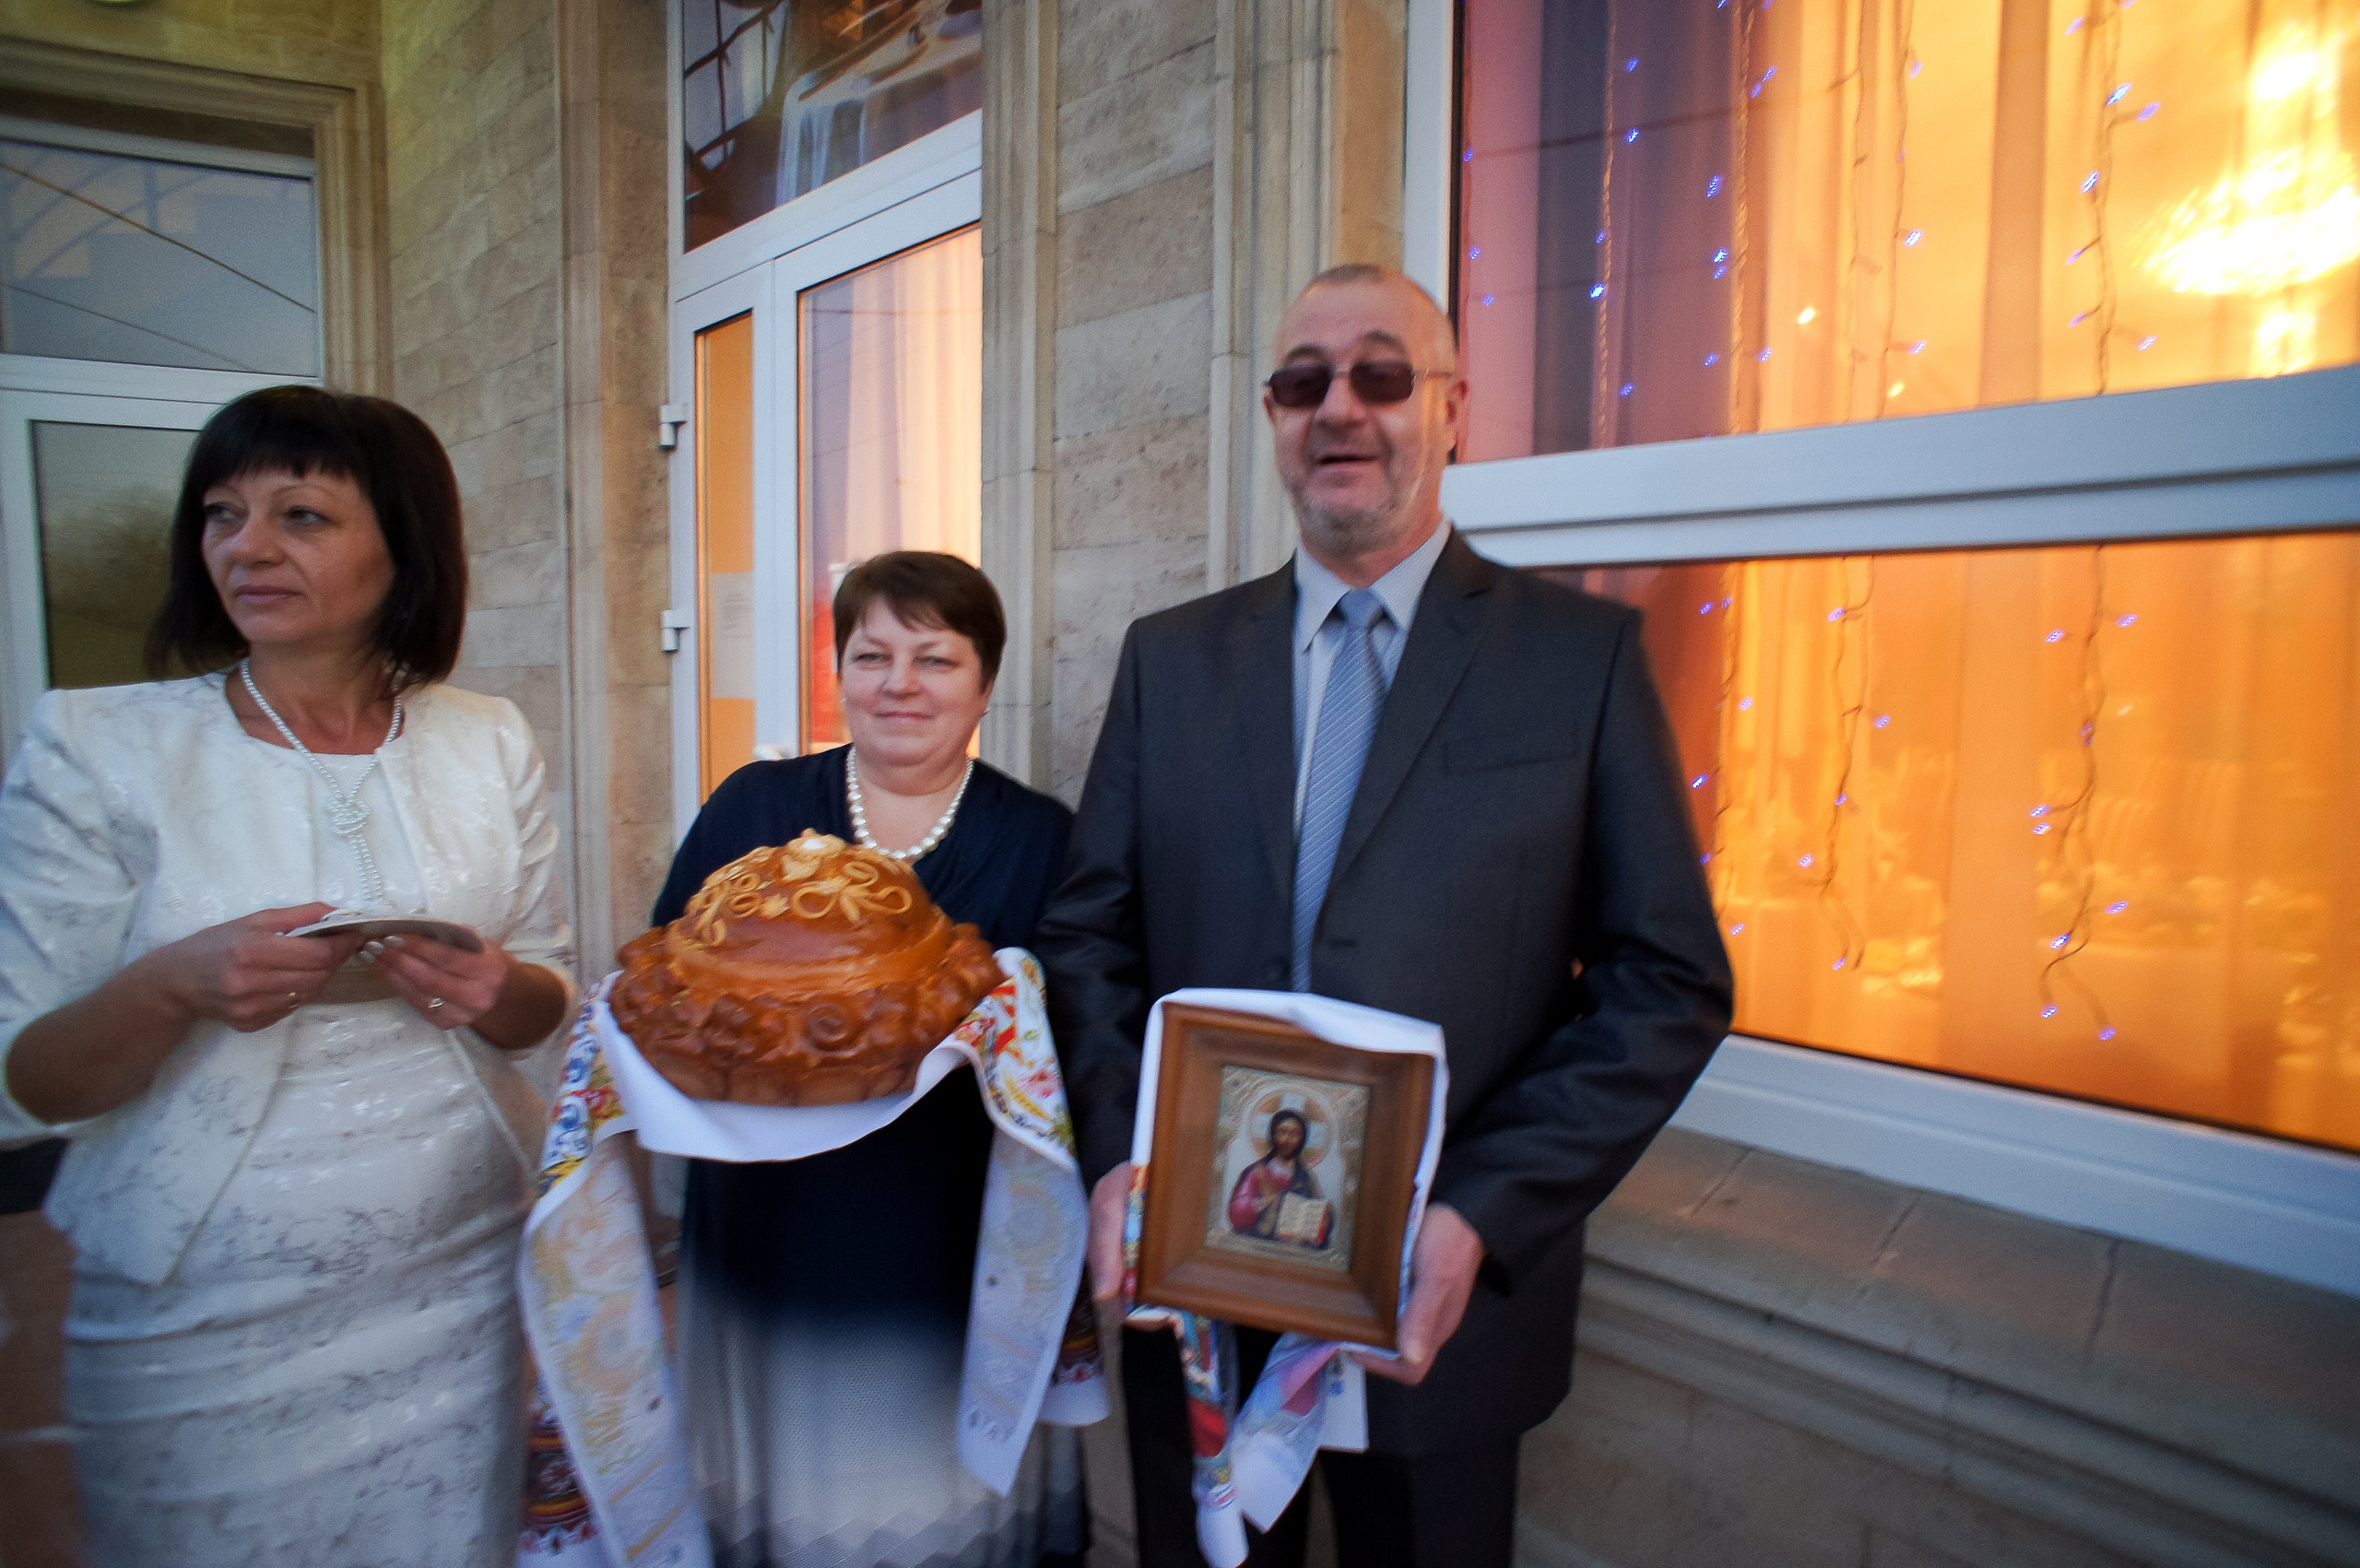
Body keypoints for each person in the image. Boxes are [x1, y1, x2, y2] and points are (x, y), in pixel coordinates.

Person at [1035, 264, 1733, 1567]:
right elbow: (1088, 934)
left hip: (1436, 1307)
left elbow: (1665, 979)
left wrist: (1482, 1207)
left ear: (1455, 408)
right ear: (1272, 418)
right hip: (1199, 1290)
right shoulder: (1173, 660)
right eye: (1304, 382)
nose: (1339, 408)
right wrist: (1121, 1154)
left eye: (1382, 374)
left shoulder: (1576, 662)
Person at [0, 385, 575, 1566]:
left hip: (451, 1268)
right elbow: (37, 1077)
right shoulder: (99, 746)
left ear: (403, 546)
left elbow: (547, 994)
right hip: (197, 1305)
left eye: (301, 515)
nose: (246, 546)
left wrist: (493, 987)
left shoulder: (488, 737)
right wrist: (171, 985)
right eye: (221, 513)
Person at [648, 550, 1087, 1567]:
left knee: (932, 1492)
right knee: (781, 1479)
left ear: (984, 682)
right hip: (765, 1218)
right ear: (837, 671)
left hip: (946, 1233)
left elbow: (1066, 1027)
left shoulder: (1040, 838)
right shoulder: (755, 805)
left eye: (935, 659)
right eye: (871, 654)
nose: (899, 683)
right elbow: (671, 965)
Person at [1225, 1110, 1330, 1248]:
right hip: (1257, 1245)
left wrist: (1324, 1218)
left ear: (1302, 1138)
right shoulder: (1258, 1172)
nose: (1286, 1139)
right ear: (1273, 1135)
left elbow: (1317, 1217)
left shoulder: (1306, 1179)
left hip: (1293, 1250)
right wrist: (1262, 1203)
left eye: (1294, 1134)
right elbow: (1236, 1212)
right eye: (1282, 1132)